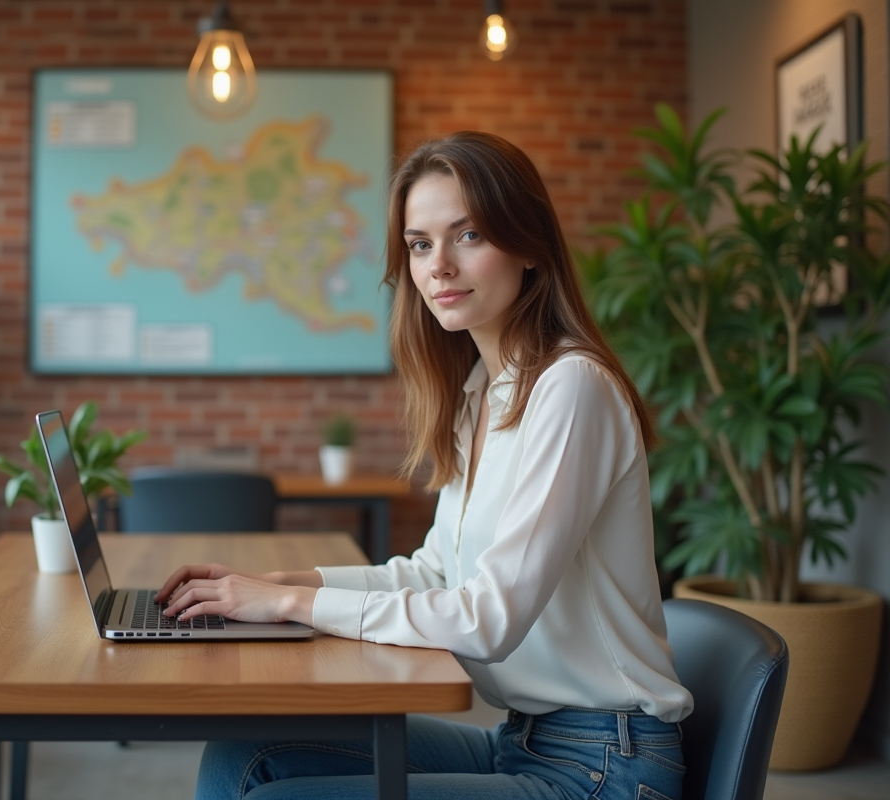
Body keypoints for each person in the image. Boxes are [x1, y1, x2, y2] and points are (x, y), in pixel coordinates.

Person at [155, 131, 694, 800]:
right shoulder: (482, 395)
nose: (438, 265)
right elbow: (435, 573)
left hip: (606, 765)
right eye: (419, 243)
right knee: (246, 754)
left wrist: (295, 604)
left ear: (528, 245)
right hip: (522, 740)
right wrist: (268, 585)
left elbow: (488, 619)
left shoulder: (571, 387)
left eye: (467, 235)